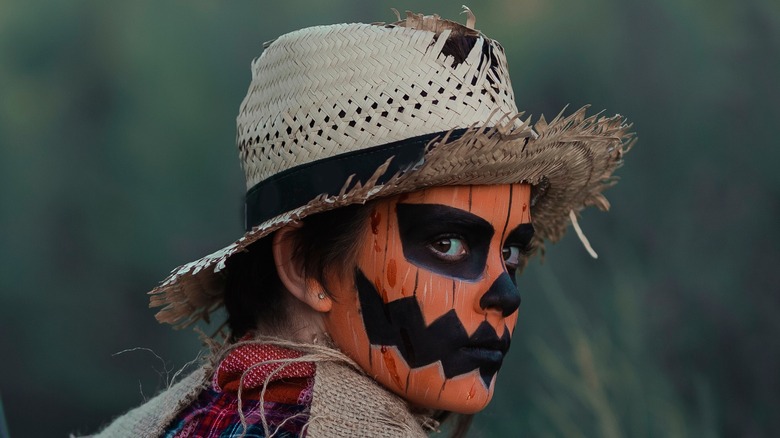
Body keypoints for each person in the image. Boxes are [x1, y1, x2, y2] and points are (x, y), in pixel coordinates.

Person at [92, 8, 634, 438]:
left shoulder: (172, 422)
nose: (506, 294)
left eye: (512, 252)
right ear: (306, 264)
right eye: (447, 242)